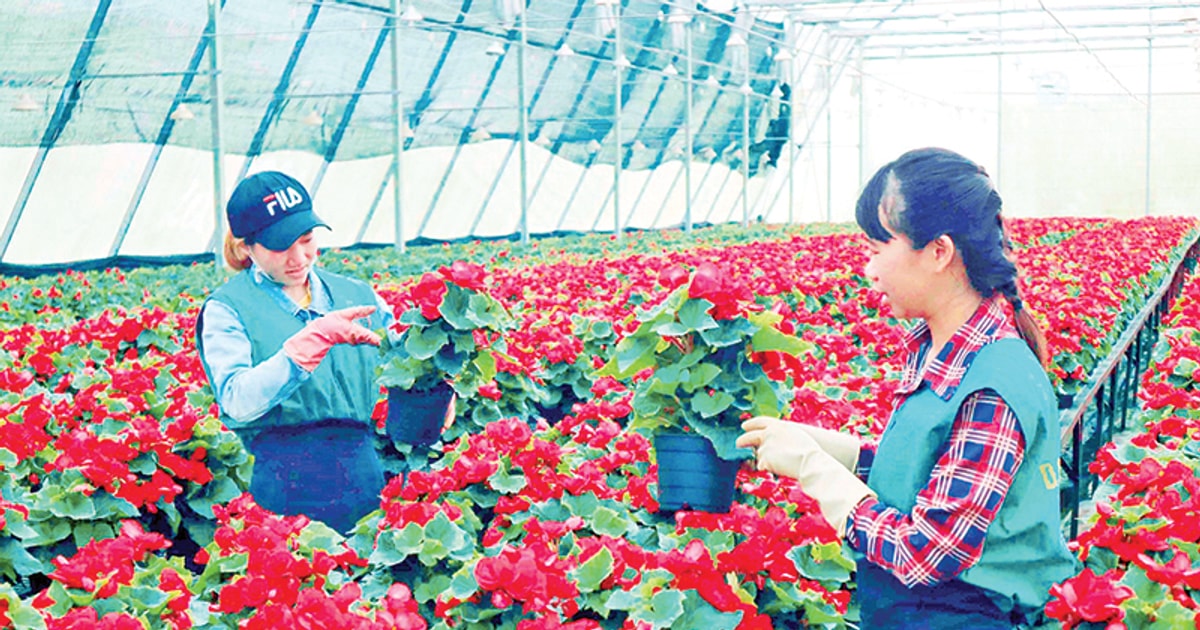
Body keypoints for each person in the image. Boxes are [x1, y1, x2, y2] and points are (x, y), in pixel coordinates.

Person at [737, 148, 1078, 628]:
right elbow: (931, 469)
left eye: (878, 250)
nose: (868, 270)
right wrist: (826, 446)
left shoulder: (993, 383)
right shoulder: (938, 345)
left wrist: (815, 470)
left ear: (938, 252)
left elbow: (928, 551)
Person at [195, 170, 448, 533]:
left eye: (307, 239)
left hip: (363, 476)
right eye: (281, 247)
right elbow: (237, 399)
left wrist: (434, 383)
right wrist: (311, 341)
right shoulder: (227, 308)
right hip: (283, 488)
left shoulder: (356, 294)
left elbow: (403, 357)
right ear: (246, 247)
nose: (299, 257)